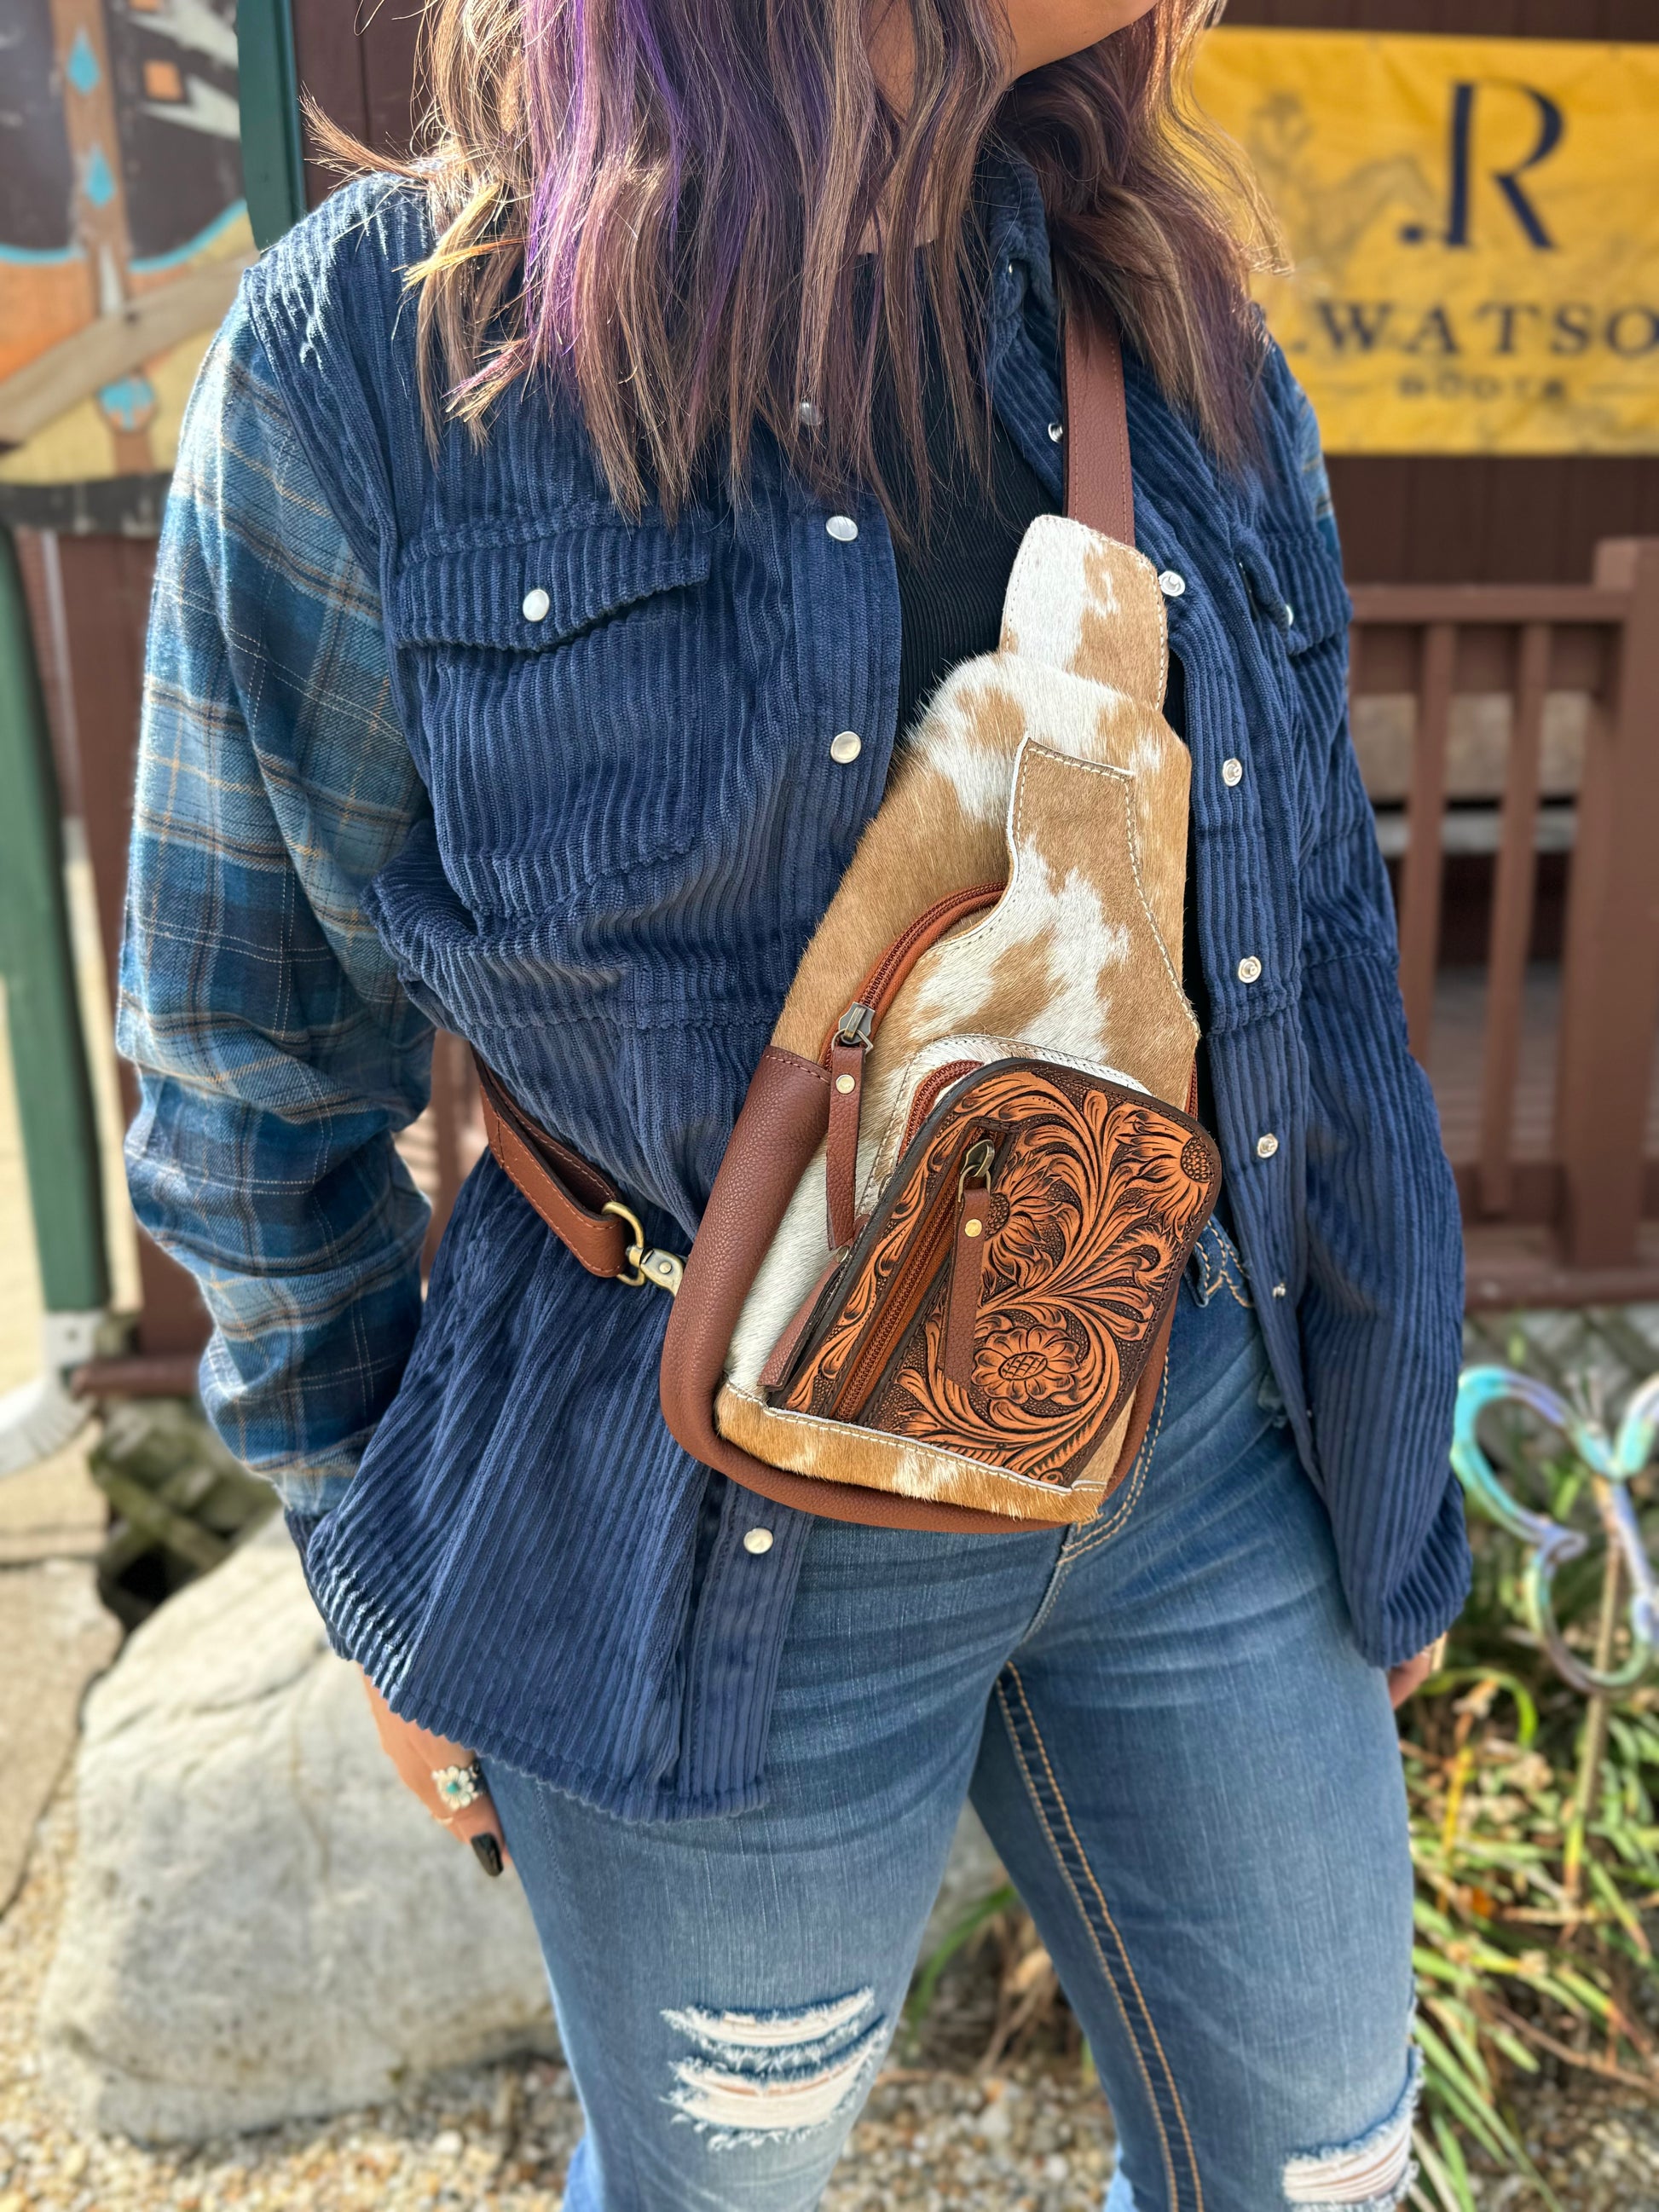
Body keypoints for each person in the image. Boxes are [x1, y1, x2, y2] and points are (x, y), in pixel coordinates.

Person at [122, 0, 1469, 2204]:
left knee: (1321, 2172)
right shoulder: (380, 353)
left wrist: (1384, 1455)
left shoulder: (1164, 317)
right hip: (684, 1512)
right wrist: (373, 1551)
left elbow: (1316, 945)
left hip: (1199, 1450)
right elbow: (242, 1040)